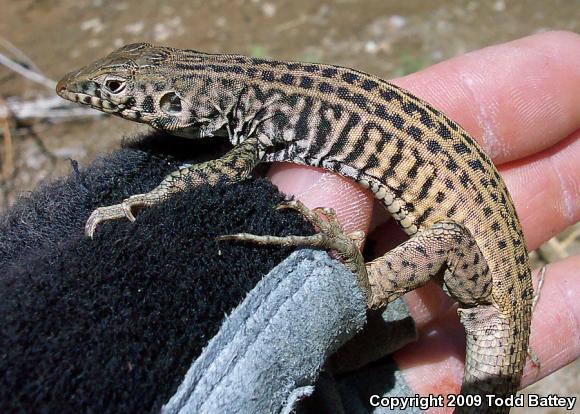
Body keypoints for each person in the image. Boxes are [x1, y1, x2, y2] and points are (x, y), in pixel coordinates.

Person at [268, 31, 580, 400]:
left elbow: (454, 240)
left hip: (489, 296)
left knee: (448, 238)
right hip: (493, 279)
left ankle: (363, 287)